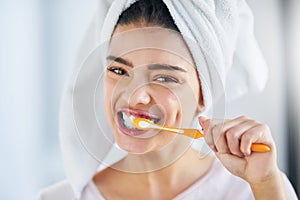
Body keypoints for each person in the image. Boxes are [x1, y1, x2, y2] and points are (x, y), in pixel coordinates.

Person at [39, 0, 298, 199]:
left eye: (165, 77)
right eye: (119, 70)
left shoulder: (258, 189)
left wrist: (266, 187)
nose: (134, 95)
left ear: (203, 95)